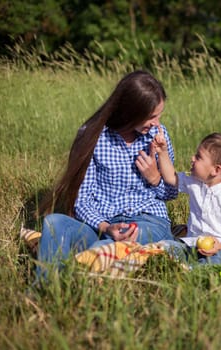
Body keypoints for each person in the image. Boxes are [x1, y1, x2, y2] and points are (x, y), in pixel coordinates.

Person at [36, 70, 178, 278]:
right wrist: (105, 226)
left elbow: (172, 192)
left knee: (109, 245)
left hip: (148, 221)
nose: (157, 123)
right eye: (151, 116)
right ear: (131, 112)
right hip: (102, 224)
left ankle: (79, 275)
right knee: (54, 223)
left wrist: (155, 178)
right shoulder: (92, 135)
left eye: (159, 115)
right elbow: (82, 200)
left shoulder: (158, 135)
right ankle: (45, 289)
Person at [153, 130, 221, 266]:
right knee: (164, 245)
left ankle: (197, 269)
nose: (192, 158)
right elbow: (170, 177)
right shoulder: (193, 182)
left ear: (216, 170)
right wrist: (162, 152)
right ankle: (198, 266)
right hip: (191, 244)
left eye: (198, 157)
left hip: (219, 248)